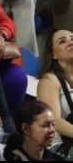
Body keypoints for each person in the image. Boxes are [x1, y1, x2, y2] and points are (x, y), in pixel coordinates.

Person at [37, 29, 73, 161]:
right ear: (53, 54)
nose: (70, 43)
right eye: (63, 41)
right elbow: (54, 121)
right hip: (59, 145)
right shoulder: (49, 80)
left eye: (72, 39)